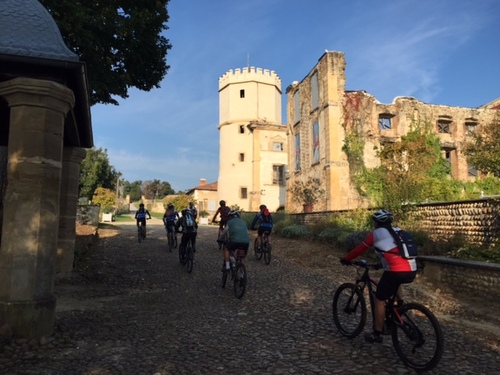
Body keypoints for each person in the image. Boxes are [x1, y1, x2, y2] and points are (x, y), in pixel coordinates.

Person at [340, 209, 417, 343]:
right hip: (411, 269)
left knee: (379, 299)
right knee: (393, 280)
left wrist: (346, 259)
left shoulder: (376, 234)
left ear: (376, 223)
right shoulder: (398, 231)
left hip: (396, 271)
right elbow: (396, 253)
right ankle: (400, 305)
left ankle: (377, 333)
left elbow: (360, 249)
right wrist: (380, 264)